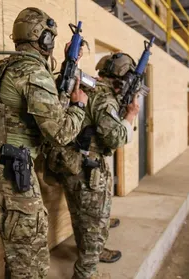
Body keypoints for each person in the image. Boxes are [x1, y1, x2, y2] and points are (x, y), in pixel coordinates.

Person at [0, 7, 88, 279]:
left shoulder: (5, 66)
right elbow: (60, 133)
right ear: (43, 39)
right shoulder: (32, 72)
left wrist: (66, 65)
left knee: (19, 256)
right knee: (31, 265)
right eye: (49, 38)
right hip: (13, 174)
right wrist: (79, 107)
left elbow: (43, 105)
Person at [50, 53, 141, 279]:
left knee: (81, 218)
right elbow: (115, 138)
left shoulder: (88, 87)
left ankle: (92, 252)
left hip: (71, 164)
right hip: (88, 170)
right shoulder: (105, 99)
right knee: (95, 225)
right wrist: (130, 116)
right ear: (122, 79)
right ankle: (86, 272)